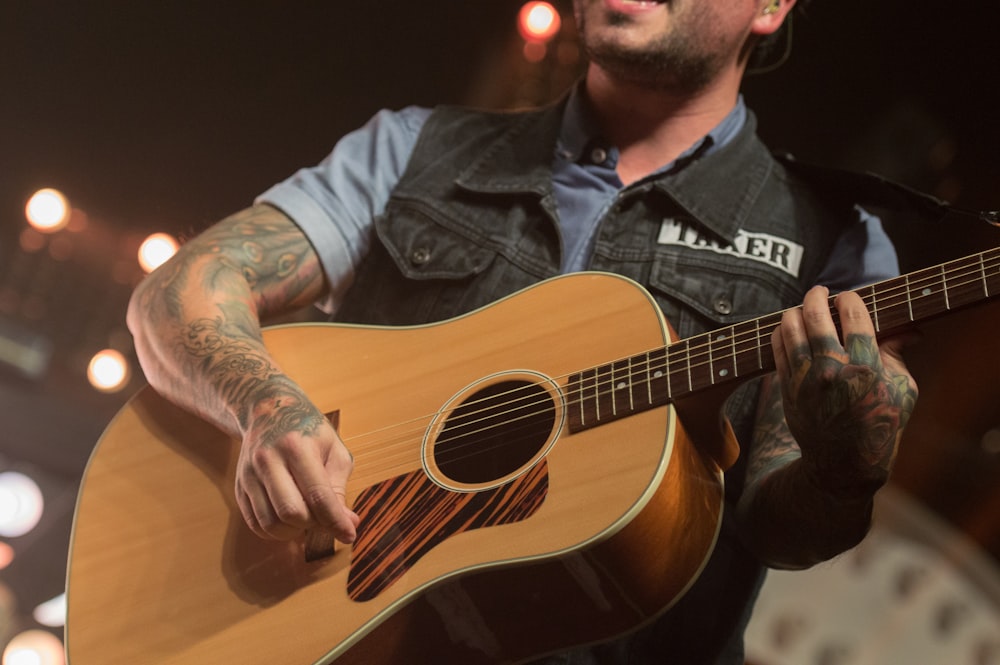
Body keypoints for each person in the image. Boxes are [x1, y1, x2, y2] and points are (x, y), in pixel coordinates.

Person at [126, 0, 919, 662]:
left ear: (771, 5)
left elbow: (783, 524)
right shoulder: (414, 149)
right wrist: (263, 401)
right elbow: (180, 292)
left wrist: (844, 470)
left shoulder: (833, 242)